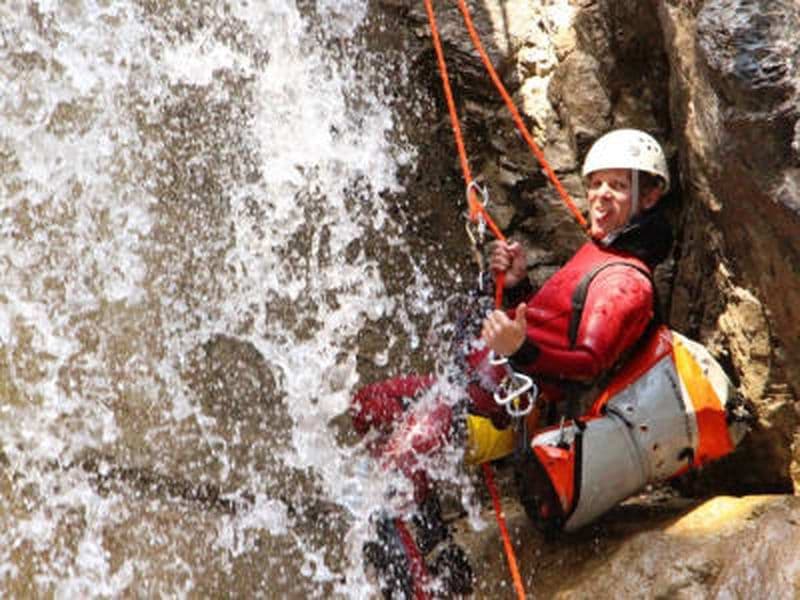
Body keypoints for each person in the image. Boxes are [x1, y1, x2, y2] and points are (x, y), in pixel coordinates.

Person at [354, 129, 748, 595]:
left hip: (499, 410)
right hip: (473, 388)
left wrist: (519, 349)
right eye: (596, 183)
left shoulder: (626, 281)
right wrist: (518, 285)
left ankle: (423, 588)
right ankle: (438, 545)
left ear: (651, 196)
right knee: (369, 405)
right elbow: (548, 324)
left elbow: (587, 362)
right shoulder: (600, 254)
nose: (601, 196)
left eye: (618, 186)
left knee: (393, 478)